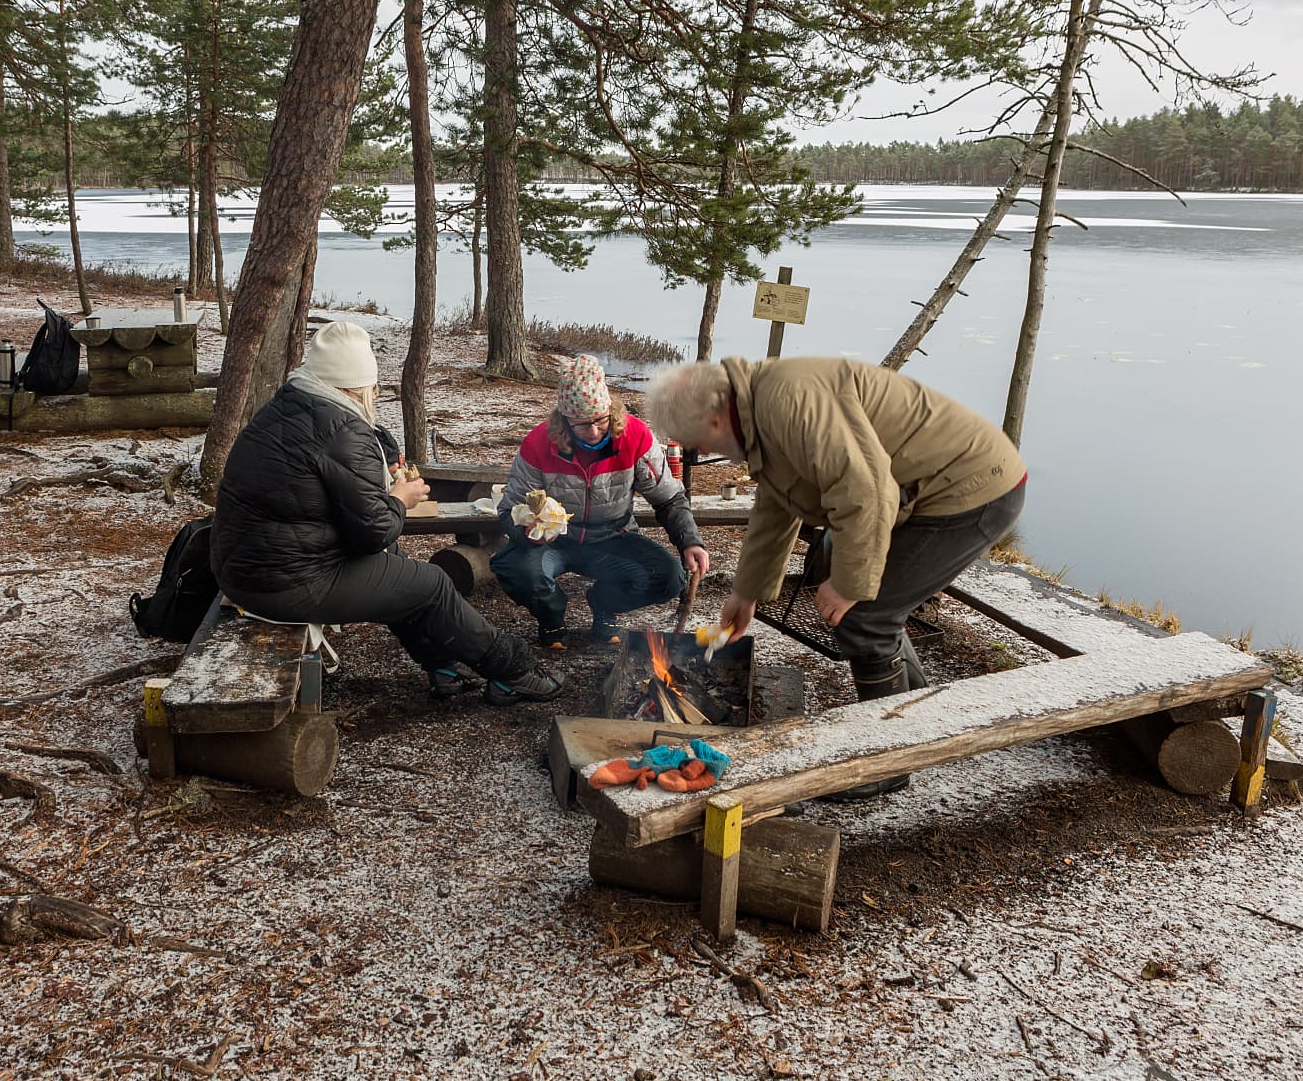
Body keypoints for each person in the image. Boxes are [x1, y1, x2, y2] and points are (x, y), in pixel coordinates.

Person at [644, 356, 1026, 793]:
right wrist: (746, 592)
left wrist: (848, 585)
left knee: (867, 615)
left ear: (714, 419)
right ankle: (914, 716)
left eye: (698, 443)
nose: (705, 453)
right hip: (925, 492)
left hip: (971, 488)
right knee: (877, 606)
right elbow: (777, 503)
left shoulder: (790, 400)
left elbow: (865, 489)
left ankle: (886, 765)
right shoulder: (759, 409)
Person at [211, 321, 561, 705]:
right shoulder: (343, 429)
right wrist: (401, 497)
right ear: (358, 386)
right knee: (431, 585)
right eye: (374, 388)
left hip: (247, 565)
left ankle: (443, 666)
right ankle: (514, 671)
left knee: (398, 571)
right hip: (283, 583)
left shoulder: (286, 407)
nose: (375, 396)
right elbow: (374, 532)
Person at [492, 354, 709, 648]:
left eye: (600, 420)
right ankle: (551, 617)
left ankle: (605, 605)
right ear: (564, 421)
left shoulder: (635, 437)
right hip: (555, 541)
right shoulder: (538, 444)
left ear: (610, 410)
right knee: (514, 568)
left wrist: (690, 541)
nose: (593, 432)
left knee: (669, 577)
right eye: (581, 424)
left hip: (613, 537)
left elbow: (669, 498)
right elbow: (509, 510)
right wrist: (528, 529)